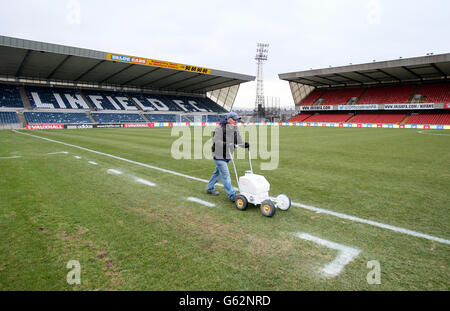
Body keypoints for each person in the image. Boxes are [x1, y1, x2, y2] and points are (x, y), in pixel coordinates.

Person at [206, 112, 249, 201]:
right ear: (228, 119)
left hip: (228, 155)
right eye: (234, 119)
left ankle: (209, 188)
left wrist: (244, 144)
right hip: (218, 155)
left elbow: (238, 140)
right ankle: (232, 195)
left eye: (237, 120)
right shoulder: (219, 128)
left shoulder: (235, 128)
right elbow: (216, 141)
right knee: (226, 176)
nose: (236, 121)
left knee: (217, 173)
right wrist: (228, 145)